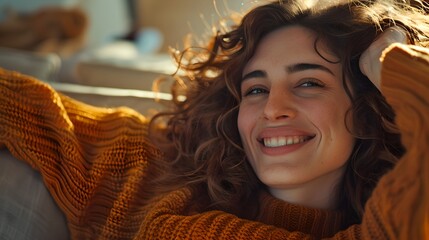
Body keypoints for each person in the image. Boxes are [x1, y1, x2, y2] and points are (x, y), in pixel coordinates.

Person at [0, 0, 428, 239]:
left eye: (309, 84)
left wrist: (396, 62)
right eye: (255, 89)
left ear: (370, 108)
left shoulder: (392, 224)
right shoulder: (152, 161)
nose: (271, 108)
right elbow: (25, 103)